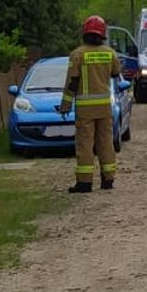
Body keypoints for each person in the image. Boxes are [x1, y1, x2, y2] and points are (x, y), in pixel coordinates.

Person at [59, 15, 121, 193]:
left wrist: (65, 106)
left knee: (85, 144)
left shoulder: (77, 55)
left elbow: (72, 82)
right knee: (106, 143)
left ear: (85, 33)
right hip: (105, 107)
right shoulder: (110, 53)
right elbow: (116, 73)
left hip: (85, 109)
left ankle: (85, 182)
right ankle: (108, 179)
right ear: (102, 34)